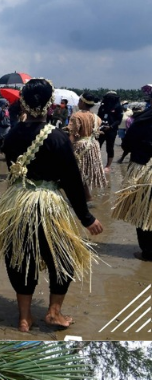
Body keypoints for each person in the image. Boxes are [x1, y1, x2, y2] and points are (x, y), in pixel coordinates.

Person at [0, 79, 101, 331]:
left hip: (18, 202)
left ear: (23, 103)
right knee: (64, 257)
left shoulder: (12, 134)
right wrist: (86, 218)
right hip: (48, 204)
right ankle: (54, 313)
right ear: (50, 105)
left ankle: (25, 317)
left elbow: (13, 170)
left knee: (20, 258)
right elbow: (72, 180)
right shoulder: (57, 138)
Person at [113, 85, 152, 261]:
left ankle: (147, 252)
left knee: (142, 212)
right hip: (145, 171)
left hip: (143, 171)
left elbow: (126, 144)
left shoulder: (142, 120)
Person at [69, 93, 107, 197]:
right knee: (86, 171)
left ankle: (84, 197)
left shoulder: (76, 116)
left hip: (81, 146)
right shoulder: (96, 117)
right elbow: (96, 131)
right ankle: (87, 197)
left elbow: (73, 135)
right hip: (93, 145)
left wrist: (67, 149)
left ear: (82, 102)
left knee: (78, 171)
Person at [97, 92, 124, 169]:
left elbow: (119, 120)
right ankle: (97, 162)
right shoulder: (102, 106)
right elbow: (98, 117)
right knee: (97, 146)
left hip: (111, 130)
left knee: (109, 147)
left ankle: (108, 166)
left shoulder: (118, 107)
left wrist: (111, 126)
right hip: (101, 129)